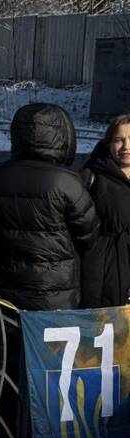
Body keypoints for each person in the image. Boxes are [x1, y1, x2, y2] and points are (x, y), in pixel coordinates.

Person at [0, 103, 98, 438]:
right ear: (62, 136)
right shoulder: (67, 181)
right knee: (49, 377)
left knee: (5, 370)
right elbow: (89, 234)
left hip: (4, 293)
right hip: (54, 300)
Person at [79, 113, 130, 309]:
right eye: (119, 140)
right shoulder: (91, 176)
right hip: (100, 271)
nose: (126, 146)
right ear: (108, 143)